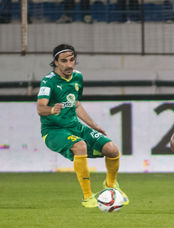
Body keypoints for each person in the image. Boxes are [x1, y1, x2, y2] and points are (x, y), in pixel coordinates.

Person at [36, 44, 129, 208]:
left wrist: (93, 125)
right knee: (80, 146)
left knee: (112, 149)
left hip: (75, 126)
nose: (69, 64)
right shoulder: (48, 81)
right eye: (64, 61)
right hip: (54, 131)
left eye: (72, 60)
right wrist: (51, 109)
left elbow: (76, 104)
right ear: (56, 62)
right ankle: (87, 197)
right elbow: (40, 108)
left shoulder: (78, 77)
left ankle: (110, 185)